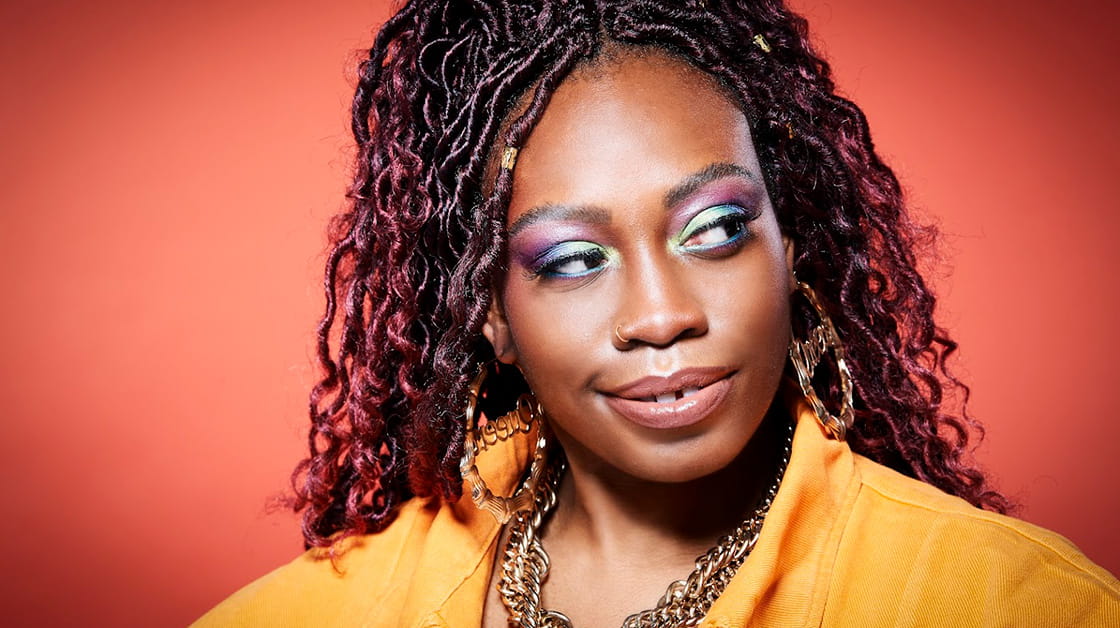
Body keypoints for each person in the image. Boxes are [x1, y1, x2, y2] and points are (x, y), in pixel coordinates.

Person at [195, 0, 1120, 626]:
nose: (662, 314)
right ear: (490, 314)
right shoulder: (318, 613)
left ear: (789, 243)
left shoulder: (1017, 604)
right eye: (572, 260)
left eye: (715, 230)